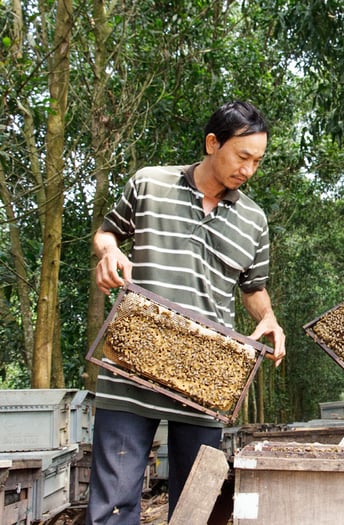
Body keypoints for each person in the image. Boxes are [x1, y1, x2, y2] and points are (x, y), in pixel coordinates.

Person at [87, 101, 286, 524]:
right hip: (129, 373)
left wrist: (268, 318)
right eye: (242, 157)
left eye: (257, 161)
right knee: (113, 506)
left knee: (196, 508)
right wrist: (109, 253)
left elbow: (253, 288)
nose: (248, 170)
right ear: (213, 143)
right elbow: (107, 234)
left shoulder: (254, 220)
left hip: (206, 383)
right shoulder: (149, 184)